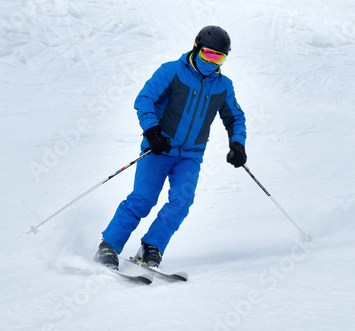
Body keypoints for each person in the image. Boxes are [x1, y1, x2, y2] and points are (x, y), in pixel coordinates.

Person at [94, 26, 247, 270]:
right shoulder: (172, 71)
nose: (212, 60)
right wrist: (152, 131)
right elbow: (144, 99)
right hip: (159, 148)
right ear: (197, 48)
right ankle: (108, 246)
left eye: (219, 56)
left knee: (182, 202)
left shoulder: (223, 86)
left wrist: (237, 144)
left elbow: (235, 118)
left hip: (190, 155)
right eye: (208, 54)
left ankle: (151, 247)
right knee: (143, 200)